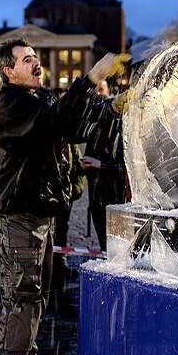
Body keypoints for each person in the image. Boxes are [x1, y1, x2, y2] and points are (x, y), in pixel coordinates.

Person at [0, 38, 127, 355]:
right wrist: (89, 77)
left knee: (36, 296)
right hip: (19, 211)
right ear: (8, 70)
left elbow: (74, 127)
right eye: (27, 59)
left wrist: (111, 110)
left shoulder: (41, 97)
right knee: (20, 300)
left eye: (36, 58)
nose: (37, 64)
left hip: (42, 210)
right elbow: (53, 122)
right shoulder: (10, 103)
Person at [81, 80, 126, 251]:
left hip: (116, 198)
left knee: (117, 248)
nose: (98, 94)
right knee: (105, 246)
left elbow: (125, 167)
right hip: (97, 198)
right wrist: (84, 165)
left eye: (101, 90)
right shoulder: (92, 123)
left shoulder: (121, 125)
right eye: (95, 91)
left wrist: (100, 164)